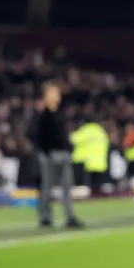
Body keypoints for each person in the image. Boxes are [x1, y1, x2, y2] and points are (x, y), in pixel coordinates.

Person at [30, 82, 83, 229]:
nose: (57, 96)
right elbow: (35, 134)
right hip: (50, 154)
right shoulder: (43, 114)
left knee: (66, 187)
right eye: (53, 92)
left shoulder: (59, 113)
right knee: (47, 187)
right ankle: (45, 217)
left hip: (63, 154)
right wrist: (45, 151)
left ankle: (69, 216)